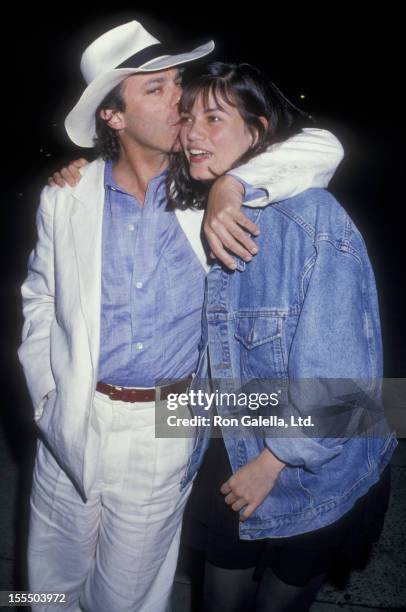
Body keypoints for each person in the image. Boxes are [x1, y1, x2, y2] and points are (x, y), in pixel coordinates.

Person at [18, 19, 344, 612]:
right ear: (113, 117)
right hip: (70, 414)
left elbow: (323, 145)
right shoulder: (67, 195)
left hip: (166, 424)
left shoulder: (207, 181)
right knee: (44, 587)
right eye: (158, 88)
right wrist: (45, 394)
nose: (181, 99)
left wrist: (233, 185)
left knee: (129, 598)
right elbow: (39, 296)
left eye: (178, 82)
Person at [167, 62, 398, 612]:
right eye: (187, 118)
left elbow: (345, 389)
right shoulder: (198, 211)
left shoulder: (311, 221)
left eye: (214, 118)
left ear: (260, 132)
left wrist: (273, 461)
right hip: (232, 445)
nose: (193, 133)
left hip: (310, 464)